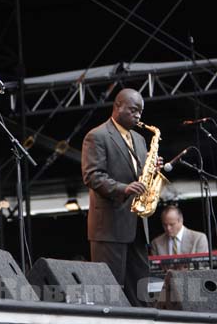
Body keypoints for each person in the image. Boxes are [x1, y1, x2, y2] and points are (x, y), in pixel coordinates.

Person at [81, 88, 155, 307]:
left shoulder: (140, 140)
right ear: (117, 106)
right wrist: (124, 189)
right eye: (133, 110)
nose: (138, 116)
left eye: (140, 111)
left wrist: (152, 170)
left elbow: (138, 173)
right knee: (109, 295)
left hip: (138, 225)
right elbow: (92, 176)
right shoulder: (97, 136)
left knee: (140, 294)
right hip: (110, 227)